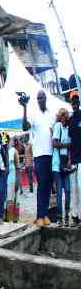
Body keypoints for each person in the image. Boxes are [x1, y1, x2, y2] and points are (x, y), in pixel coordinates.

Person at [22, 90, 54, 227]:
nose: (40, 99)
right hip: (39, 155)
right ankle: (39, 216)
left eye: (41, 97)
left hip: (51, 154)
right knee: (41, 185)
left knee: (48, 185)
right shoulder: (34, 115)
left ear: (45, 98)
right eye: (38, 98)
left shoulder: (51, 114)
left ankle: (45, 214)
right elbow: (24, 127)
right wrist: (24, 108)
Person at [52, 108, 73, 227]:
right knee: (59, 192)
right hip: (56, 164)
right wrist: (67, 145)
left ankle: (66, 216)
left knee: (68, 191)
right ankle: (59, 218)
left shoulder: (68, 129)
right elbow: (54, 143)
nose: (64, 118)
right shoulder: (58, 126)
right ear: (59, 117)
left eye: (66, 116)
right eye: (62, 116)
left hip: (66, 164)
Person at [69, 95, 81, 226]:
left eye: (76, 102)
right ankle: (75, 216)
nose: (75, 105)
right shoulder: (71, 120)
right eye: (73, 103)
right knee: (74, 189)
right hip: (73, 159)